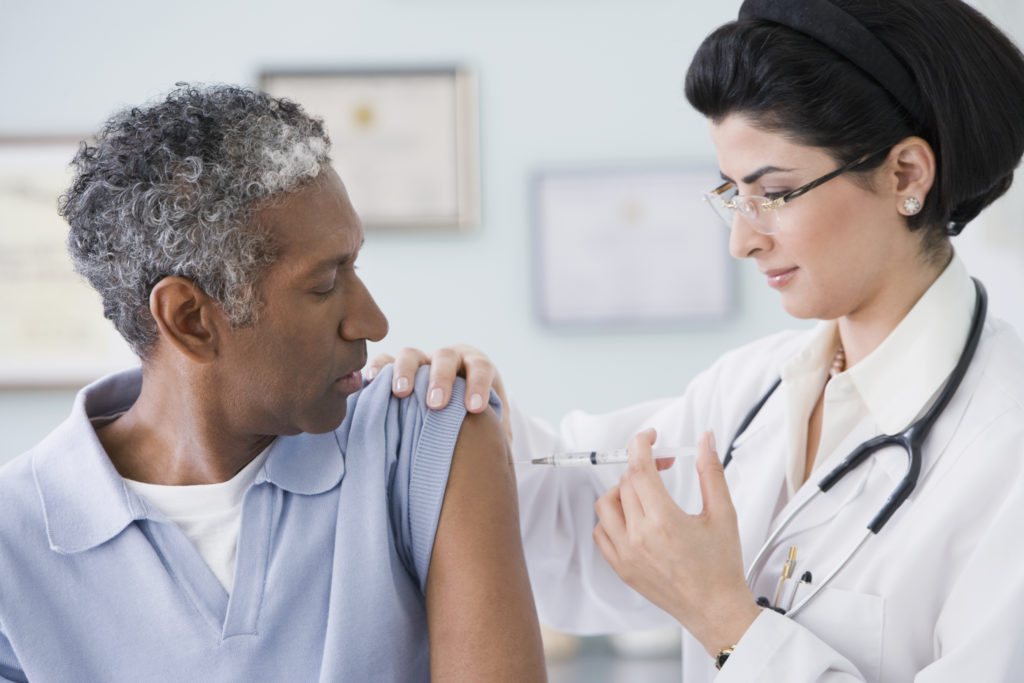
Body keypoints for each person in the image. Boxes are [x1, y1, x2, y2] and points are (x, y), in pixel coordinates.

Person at [373, 0, 1024, 680]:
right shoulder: (751, 392)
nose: (743, 239)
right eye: (732, 195)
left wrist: (724, 622)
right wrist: (479, 422)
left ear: (906, 176)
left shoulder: (1006, 454)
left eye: (775, 192)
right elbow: (578, 522)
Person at [0, 84, 545, 682]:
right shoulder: (14, 540)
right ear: (191, 320)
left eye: (353, 266)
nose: (373, 322)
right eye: (322, 284)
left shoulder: (427, 437)